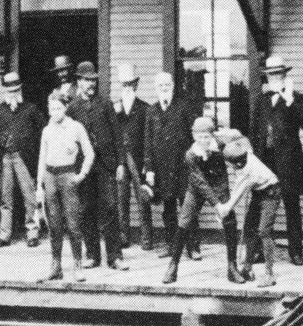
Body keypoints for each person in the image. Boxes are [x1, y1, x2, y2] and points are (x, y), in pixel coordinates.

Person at [250, 54, 303, 265]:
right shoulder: (261, 100)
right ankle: (260, 250)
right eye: (271, 75)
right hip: (265, 161)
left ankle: (296, 252)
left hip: (288, 162)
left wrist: (290, 100)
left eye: (278, 74)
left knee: (291, 206)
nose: (275, 78)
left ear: (285, 75)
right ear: (267, 77)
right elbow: (253, 131)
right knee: (262, 205)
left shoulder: (296, 98)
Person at [164, 116, 242, 284]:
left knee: (230, 221)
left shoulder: (220, 145)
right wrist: (217, 205)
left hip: (219, 186)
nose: (204, 140)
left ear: (212, 135)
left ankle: (232, 267)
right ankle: (173, 266)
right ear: (194, 136)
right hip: (197, 188)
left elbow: (239, 141)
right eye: (200, 137)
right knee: (184, 222)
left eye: (207, 136)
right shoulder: (190, 155)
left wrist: (235, 140)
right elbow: (200, 182)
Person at [67, 60, 125, 270]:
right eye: (87, 80)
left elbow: (117, 135)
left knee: (110, 207)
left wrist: (120, 163)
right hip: (84, 167)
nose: (92, 84)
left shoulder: (105, 103)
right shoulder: (72, 108)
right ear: (79, 82)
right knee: (86, 209)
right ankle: (92, 255)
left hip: (106, 164)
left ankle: (115, 257)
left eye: (94, 80)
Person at [142, 71, 202, 260]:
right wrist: (149, 169)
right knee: (168, 209)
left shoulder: (183, 107)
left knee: (187, 206)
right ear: (156, 88)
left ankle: (193, 247)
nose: (164, 88)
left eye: (167, 85)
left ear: (173, 86)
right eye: (160, 86)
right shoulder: (151, 111)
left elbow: (195, 134)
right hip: (162, 169)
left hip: (182, 167)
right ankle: (171, 245)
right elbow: (148, 142)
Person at [35, 90, 92, 281]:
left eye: (59, 108)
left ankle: (77, 265)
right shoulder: (46, 130)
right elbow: (42, 158)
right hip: (50, 177)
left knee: (73, 223)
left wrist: (82, 174)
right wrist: (39, 185)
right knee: (54, 224)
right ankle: (56, 266)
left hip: (68, 176)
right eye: (52, 109)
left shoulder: (76, 127)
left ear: (65, 108)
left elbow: (89, 153)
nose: (55, 112)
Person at [216, 130, 282, 287]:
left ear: (236, 164)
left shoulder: (247, 173)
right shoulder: (246, 151)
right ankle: (247, 269)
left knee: (264, 231)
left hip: (271, 192)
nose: (229, 166)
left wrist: (222, 212)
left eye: (229, 164)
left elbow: (234, 199)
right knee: (249, 229)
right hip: (259, 193)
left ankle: (269, 275)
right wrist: (220, 134)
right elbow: (240, 135)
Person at [0, 71, 43, 248]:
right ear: (5, 91)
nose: (13, 94)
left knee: (29, 196)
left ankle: (32, 233)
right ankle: (4, 235)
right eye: (10, 91)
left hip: (24, 158)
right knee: (6, 198)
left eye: (16, 90)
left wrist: (36, 154)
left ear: (20, 90)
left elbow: (43, 133)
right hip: (5, 158)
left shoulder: (31, 109)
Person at [111, 63, 151, 251]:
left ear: (136, 84)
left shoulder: (145, 108)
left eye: (131, 84)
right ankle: (123, 236)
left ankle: (146, 238)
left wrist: (146, 163)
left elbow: (148, 137)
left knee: (142, 197)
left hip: (138, 158)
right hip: (120, 158)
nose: (127, 87)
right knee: (121, 197)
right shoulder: (114, 108)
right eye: (124, 84)